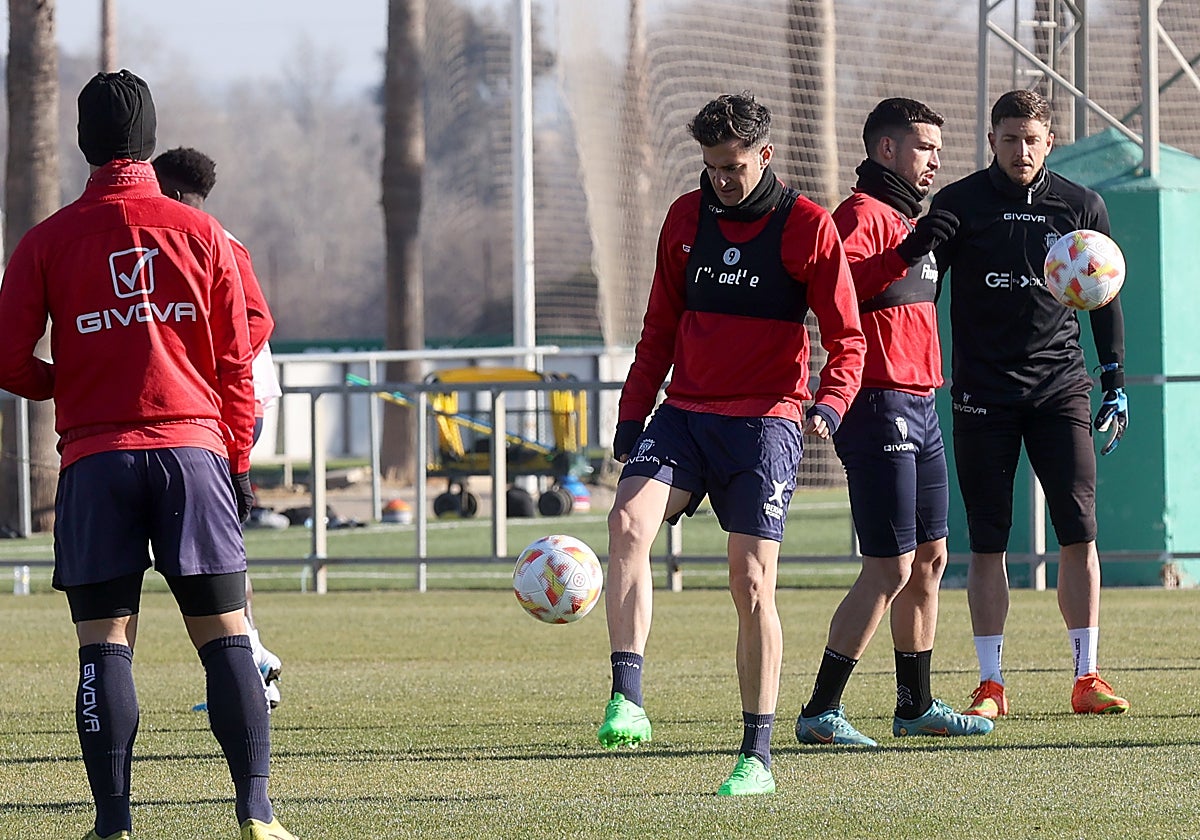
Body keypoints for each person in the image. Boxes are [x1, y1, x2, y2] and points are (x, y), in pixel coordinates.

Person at [0, 71, 297, 840]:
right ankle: (256, 811)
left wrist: (74, 383)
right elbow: (239, 360)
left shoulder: (46, 239)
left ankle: (113, 822)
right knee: (227, 632)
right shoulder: (205, 235)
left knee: (103, 645)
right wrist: (234, 462)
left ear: (82, 142)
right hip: (193, 452)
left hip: (95, 463)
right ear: (150, 140)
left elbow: (7, 359)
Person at [598, 92, 866, 795]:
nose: (721, 179)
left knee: (750, 583)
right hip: (684, 412)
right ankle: (628, 696)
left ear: (765, 155)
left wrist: (830, 404)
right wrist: (634, 412)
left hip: (764, 422)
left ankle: (757, 756)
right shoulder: (686, 220)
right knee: (626, 522)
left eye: (734, 166)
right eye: (712, 166)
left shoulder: (806, 227)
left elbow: (847, 337)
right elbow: (659, 326)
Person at [794, 99, 993, 746]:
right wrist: (905, 250)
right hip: (875, 402)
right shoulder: (858, 216)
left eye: (938, 148)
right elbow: (836, 293)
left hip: (921, 403)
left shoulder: (913, 220)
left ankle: (915, 705)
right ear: (886, 150)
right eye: (924, 146)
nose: (935, 158)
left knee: (931, 558)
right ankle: (820, 710)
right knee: (889, 565)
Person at [929, 89, 1130, 719]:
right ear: (992, 140)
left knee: (1079, 531)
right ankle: (991, 684)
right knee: (988, 540)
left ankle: (1086, 676)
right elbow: (921, 294)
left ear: (1051, 142)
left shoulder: (1080, 205)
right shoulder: (958, 205)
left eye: (1032, 140)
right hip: (982, 395)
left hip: (1059, 390)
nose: (1021, 150)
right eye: (1009, 138)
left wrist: (1115, 378)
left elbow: (1106, 295)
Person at [152, 147, 285, 713]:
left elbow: (256, 321)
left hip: (234, 407)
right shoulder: (191, 234)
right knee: (215, 542)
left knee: (214, 545)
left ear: (177, 194)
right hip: (221, 405)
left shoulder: (213, 240)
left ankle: (251, 655)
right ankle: (251, 654)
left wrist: (202, 368)